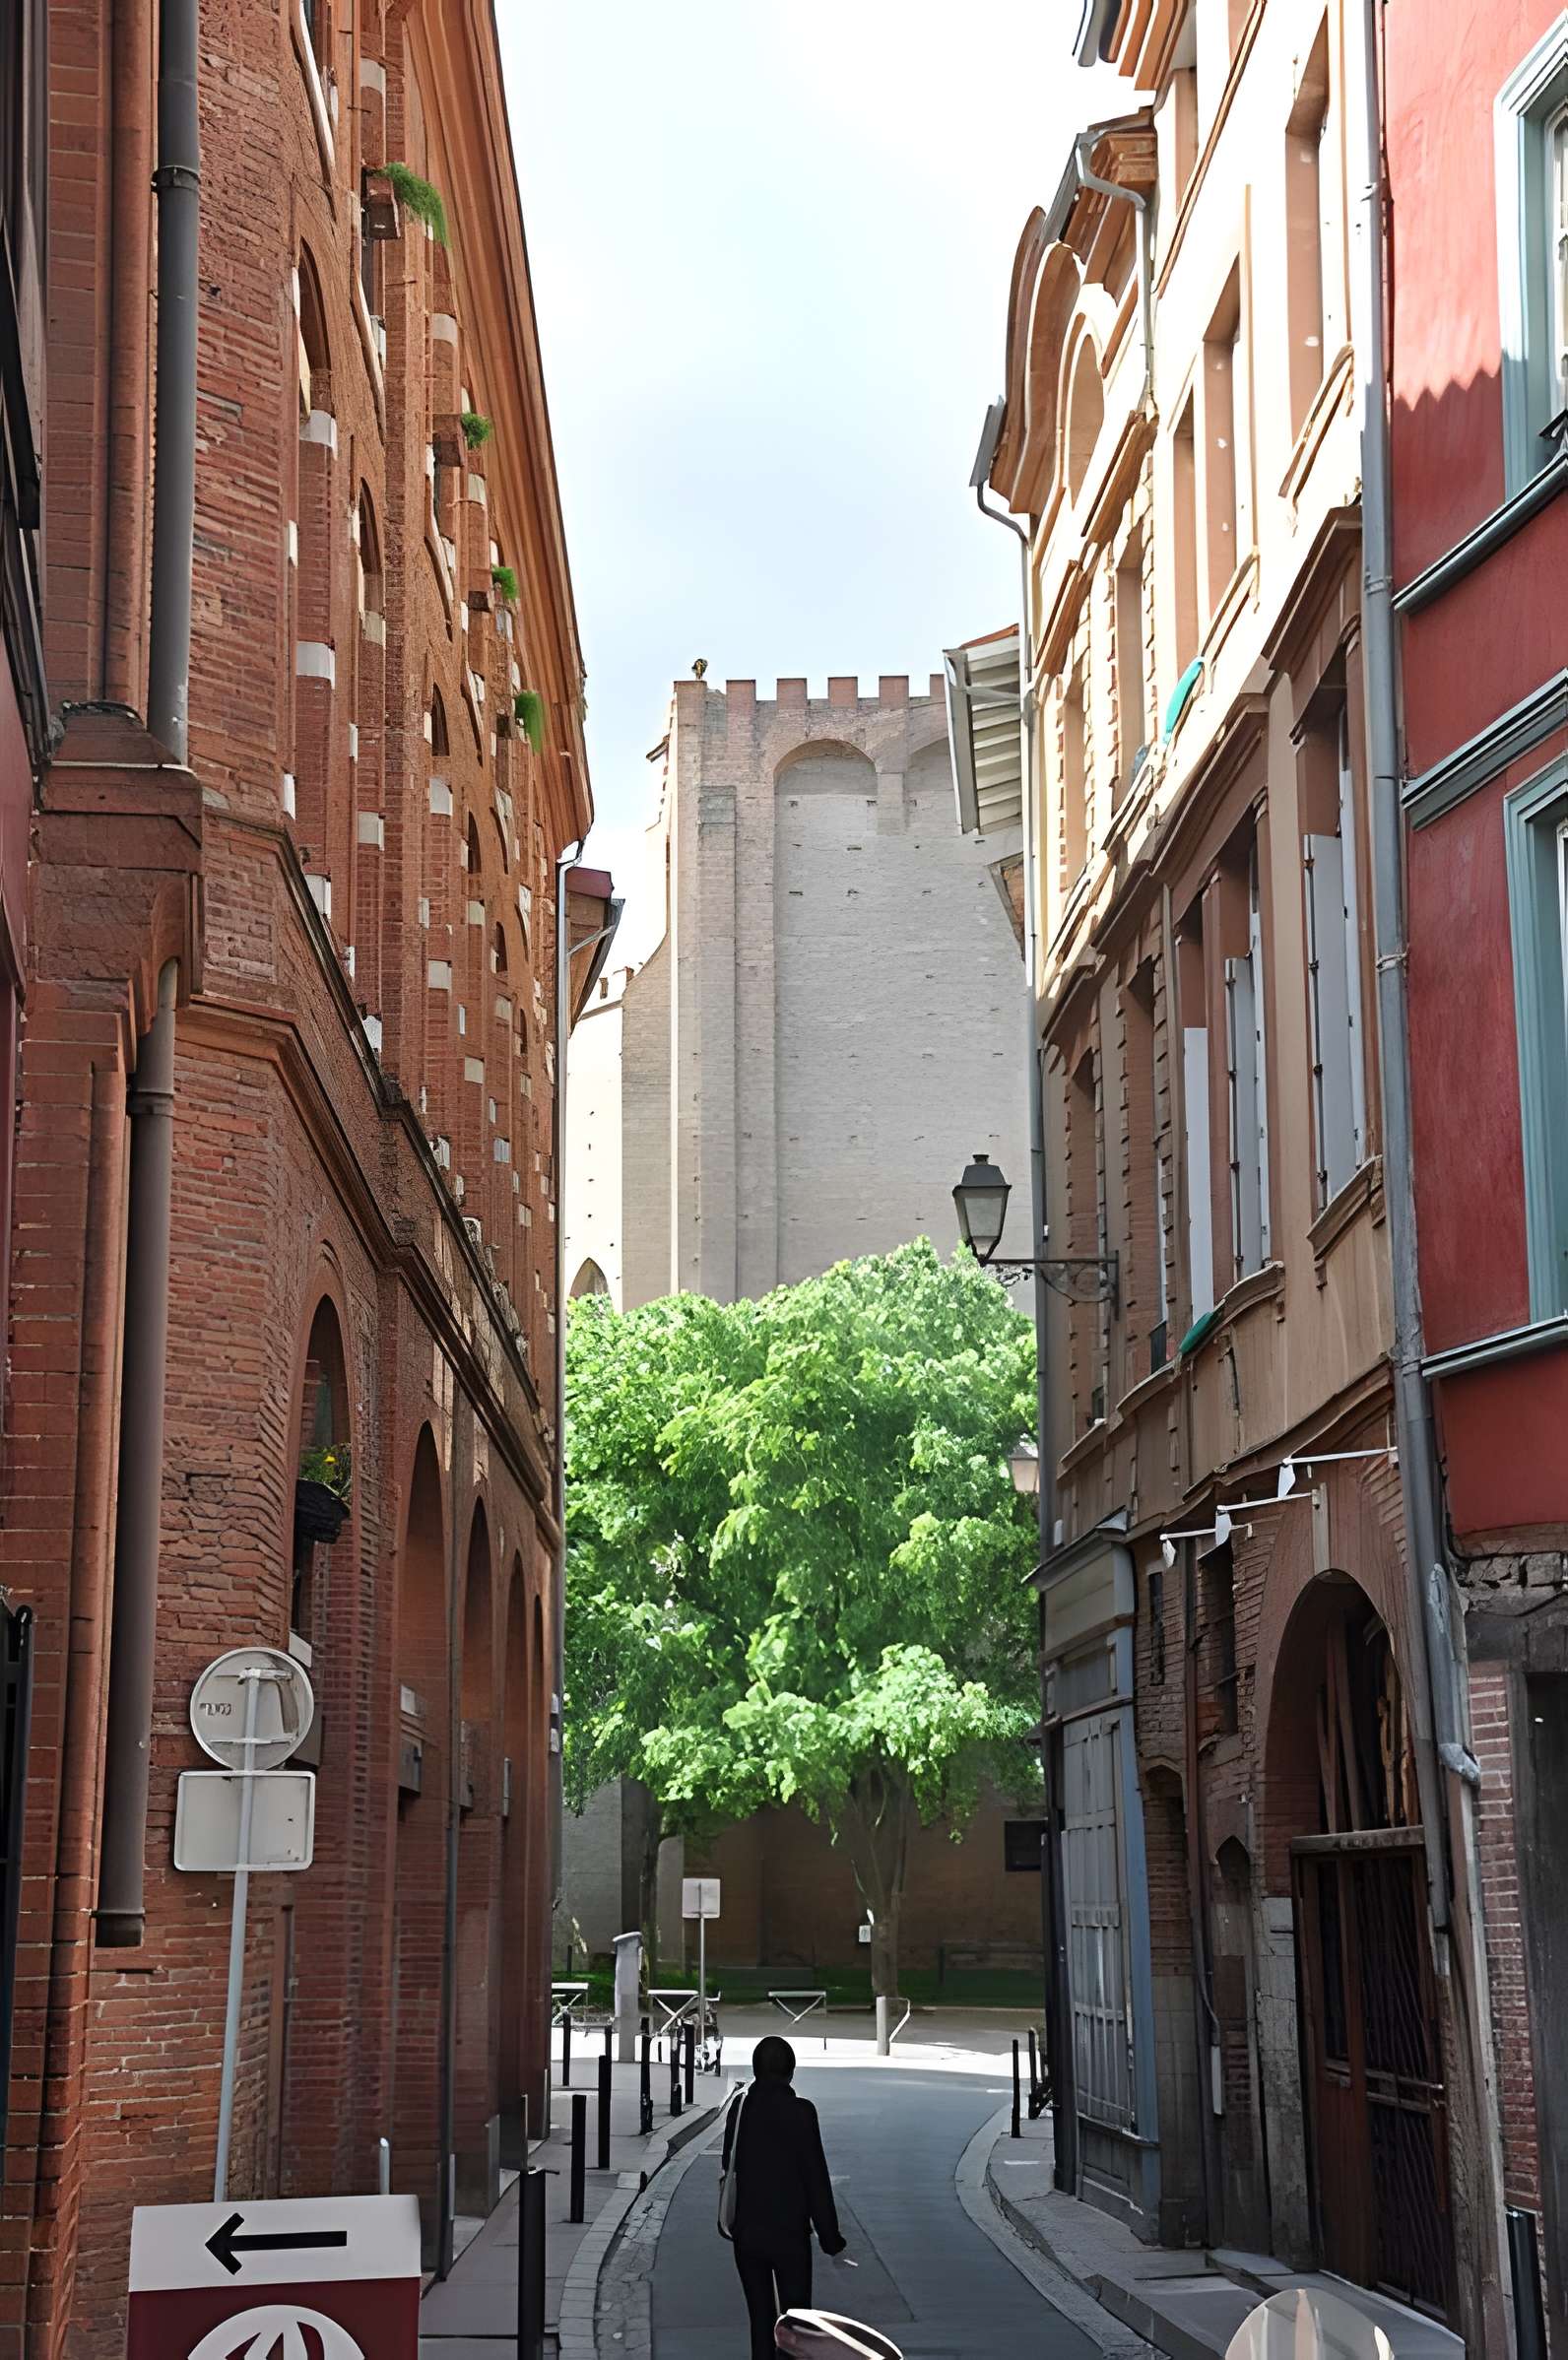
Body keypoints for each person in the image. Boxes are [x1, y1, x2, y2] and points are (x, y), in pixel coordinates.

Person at [721, 2034, 846, 2360]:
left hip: (746, 2232)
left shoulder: (739, 2108)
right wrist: (829, 2237)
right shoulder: (802, 2112)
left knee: (760, 2319)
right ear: (790, 2072)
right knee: (795, 2322)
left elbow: (727, 2164)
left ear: (756, 2069)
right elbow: (815, 2178)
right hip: (789, 2234)